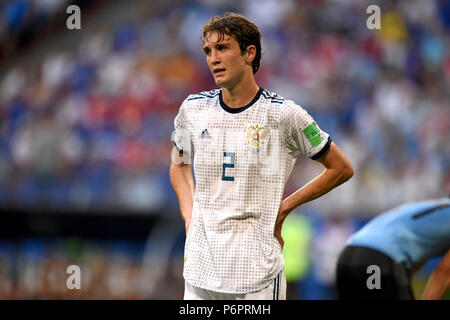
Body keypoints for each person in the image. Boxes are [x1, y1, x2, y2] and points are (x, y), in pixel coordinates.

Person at [169, 13, 354, 300]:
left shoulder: (283, 115)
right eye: (208, 51)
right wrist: (189, 214)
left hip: (255, 276)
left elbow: (340, 168)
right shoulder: (193, 109)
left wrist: (284, 208)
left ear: (249, 53)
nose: (213, 58)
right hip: (199, 273)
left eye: (222, 48)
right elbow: (178, 164)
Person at [336, 198, 450, 300]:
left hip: (346, 258)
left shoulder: (434, 207)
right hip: (377, 261)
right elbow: (445, 272)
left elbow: (416, 260)